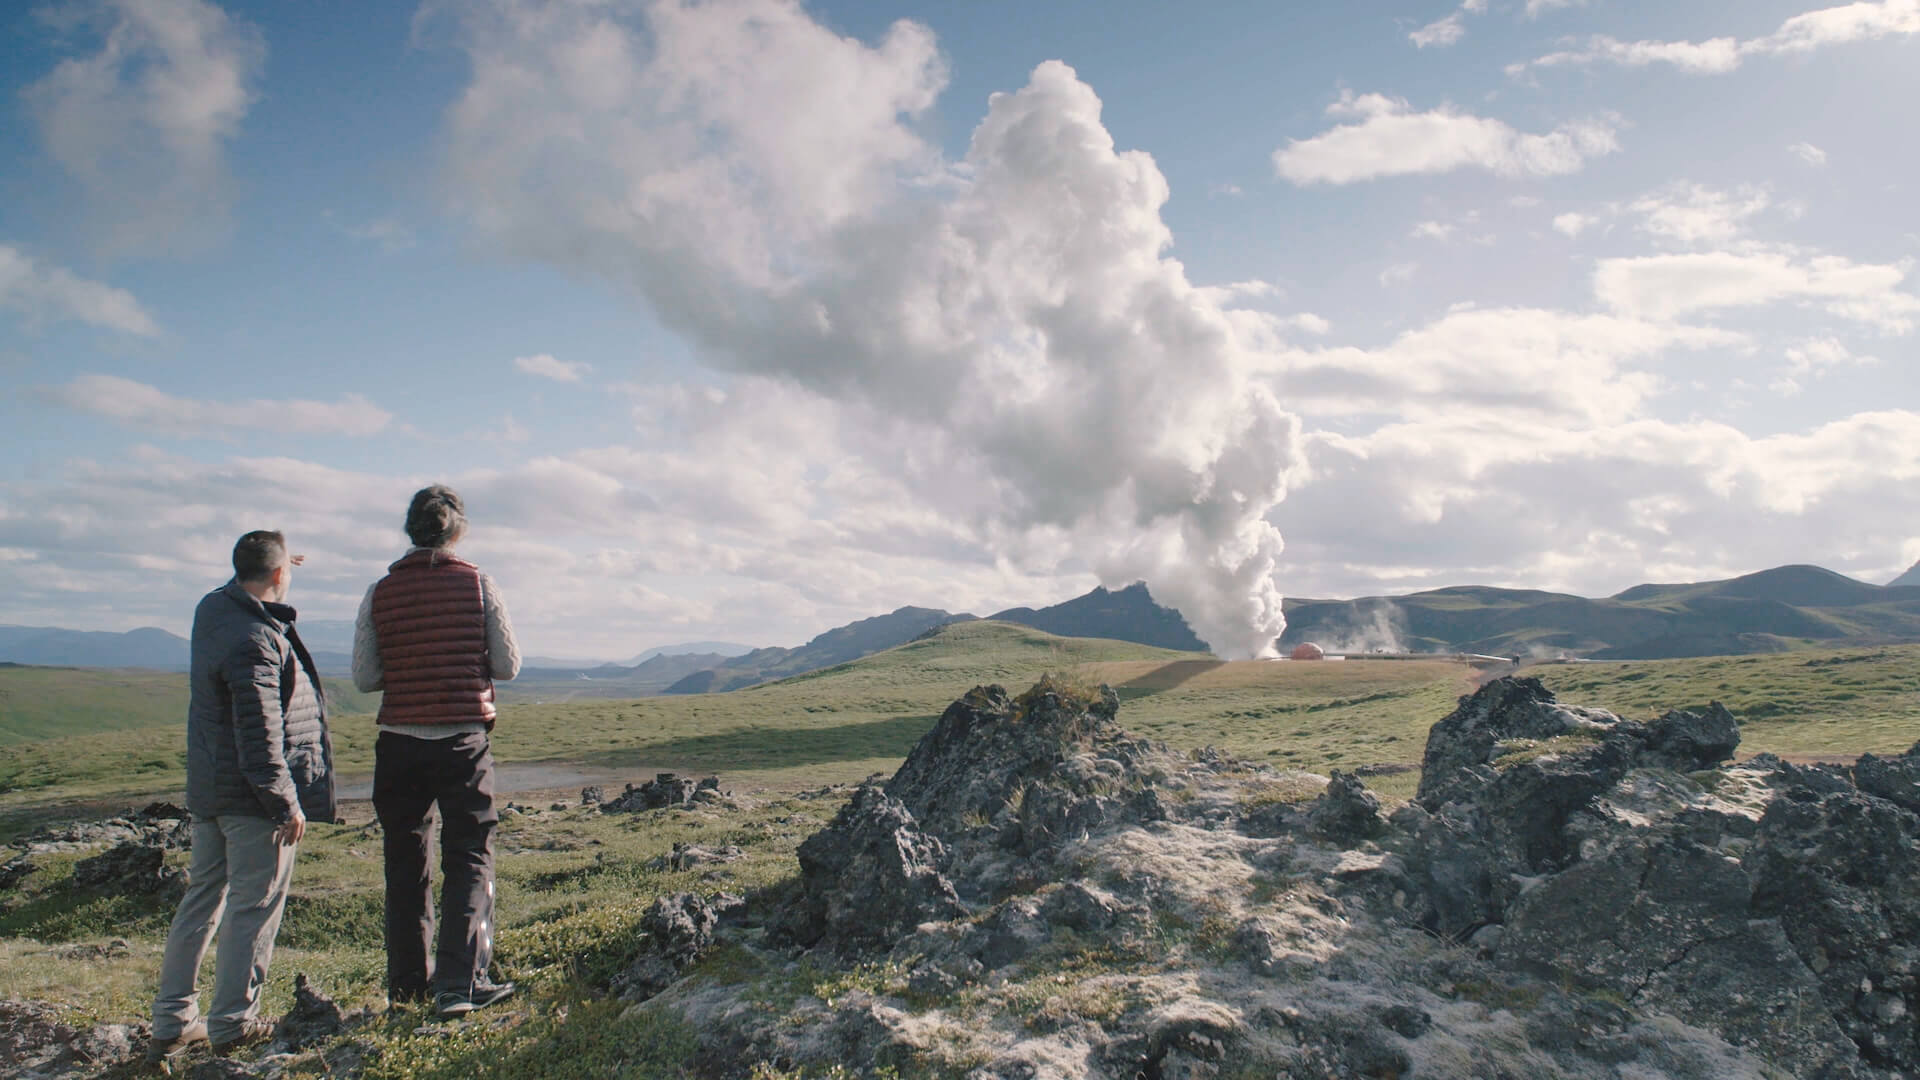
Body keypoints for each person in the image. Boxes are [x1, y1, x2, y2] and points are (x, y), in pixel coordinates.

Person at [149, 532, 336, 1066]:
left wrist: (278, 560)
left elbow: (256, 568)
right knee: (252, 909)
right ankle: (232, 1024)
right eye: (286, 570)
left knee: (200, 902)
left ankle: (171, 1021)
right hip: (253, 801)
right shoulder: (256, 638)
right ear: (277, 576)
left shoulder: (213, 610)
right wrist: (286, 803)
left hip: (211, 792)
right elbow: (260, 735)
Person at [353, 485, 521, 1017]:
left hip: (399, 742)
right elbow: (508, 665)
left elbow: (365, 677)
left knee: (405, 863)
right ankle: (460, 984)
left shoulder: (380, 591)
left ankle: (406, 988)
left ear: (410, 529)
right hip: (463, 743)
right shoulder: (477, 583)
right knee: (470, 855)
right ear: (457, 529)